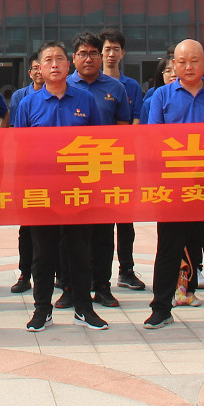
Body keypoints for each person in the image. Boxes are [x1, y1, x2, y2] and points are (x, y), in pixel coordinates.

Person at [143, 40, 204, 330]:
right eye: (182, 61)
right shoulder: (161, 96)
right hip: (174, 187)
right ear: (174, 64)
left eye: (194, 61)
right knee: (168, 249)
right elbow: (154, 141)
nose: (188, 67)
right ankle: (161, 308)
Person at [11, 41, 108, 331]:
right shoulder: (28, 104)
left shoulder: (86, 100)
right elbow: (20, 149)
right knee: (43, 254)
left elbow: (98, 144)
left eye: (59, 59)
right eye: (48, 60)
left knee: (80, 251)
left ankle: (83, 307)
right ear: (38, 68)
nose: (54, 64)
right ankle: (42, 309)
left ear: (69, 65)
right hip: (42, 191)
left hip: (78, 190)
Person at [65, 32, 132, 311]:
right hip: (70, 172)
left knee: (104, 233)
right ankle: (70, 288)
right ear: (73, 58)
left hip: (104, 170)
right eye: (83, 53)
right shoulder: (64, 85)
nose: (89, 58)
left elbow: (123, 129)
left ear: (101, 57)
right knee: (71, 235)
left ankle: (102, 286)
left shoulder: (116, 88)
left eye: (94, 53)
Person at [101, 29, 147, 291]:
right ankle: (98, 274)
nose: (111, 54)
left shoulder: (131, 86)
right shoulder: (88, 83)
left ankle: (126, 270)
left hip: (123, 161)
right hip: (96, 162)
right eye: (107, 49)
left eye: (116, 49)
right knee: (101, 222)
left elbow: (136, 120)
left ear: (123, 53)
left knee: (126, 219)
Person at [8, 51, 43, 294]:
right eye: (35, 68)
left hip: (57, 173)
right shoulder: (21, 98)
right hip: (30, 172)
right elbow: (16, 135)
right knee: (27, 228)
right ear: (30, 73)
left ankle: (58, 274)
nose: (40, 71)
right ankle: (25, 274)